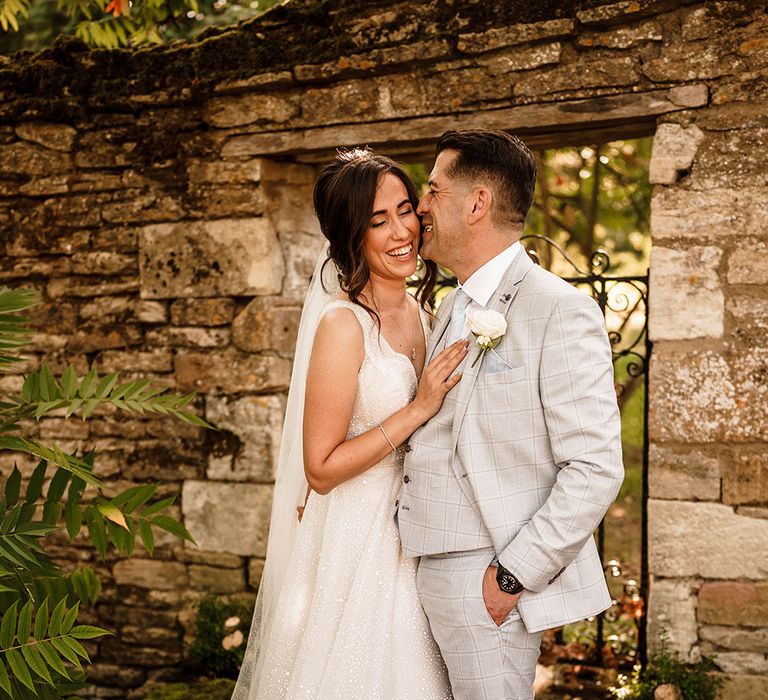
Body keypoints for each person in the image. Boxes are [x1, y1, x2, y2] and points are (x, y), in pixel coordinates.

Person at [397, 129, 625, 700]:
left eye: (432, 190)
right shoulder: (451, 306)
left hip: (487, 576)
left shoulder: (558, 309)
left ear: (476, 204)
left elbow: (595, 467)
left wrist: (511, 576)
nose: (419, 206)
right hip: (419, 565)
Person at [232, 148, 463, 700]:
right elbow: (320, 468)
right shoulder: (343, 325)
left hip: (423, 531)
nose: (401, 230)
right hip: (360, 538)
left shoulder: (429, 314)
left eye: (406, 209)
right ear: (349, 237)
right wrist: (417, 408)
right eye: (377, 221)